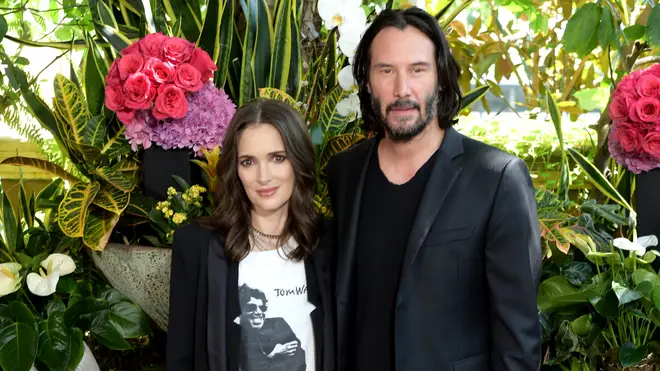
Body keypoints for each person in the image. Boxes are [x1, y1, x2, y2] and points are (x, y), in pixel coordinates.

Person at [326, 7, 542, 371]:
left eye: (417, 69)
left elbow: (517, 338)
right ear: (366, 80)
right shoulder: (344, 172)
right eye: (386, 70)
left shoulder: (497, 178)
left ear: (440, 77)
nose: (402, 89)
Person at [166, 98, 334, 371]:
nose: (263, 177)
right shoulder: (196, 246)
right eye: (248, 162)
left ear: (298, 161)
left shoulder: (329, 242)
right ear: (235, 170)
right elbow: (180, 357)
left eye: (278, 158)